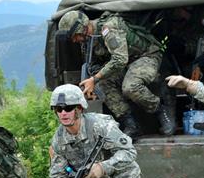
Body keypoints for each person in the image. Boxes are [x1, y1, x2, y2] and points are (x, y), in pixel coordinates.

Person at [57, 10, 175, 138]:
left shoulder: (109, 28)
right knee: (102, 84)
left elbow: (120, 59)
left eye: (75, 36)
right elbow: (94, 65)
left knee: (130, 87)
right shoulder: (87, 41)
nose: (75, 40)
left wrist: (94, 79)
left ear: (82, 28)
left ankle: (161, 110)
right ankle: (131, 124)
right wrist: (91, 83)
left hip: (145, 56)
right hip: (126, 65)